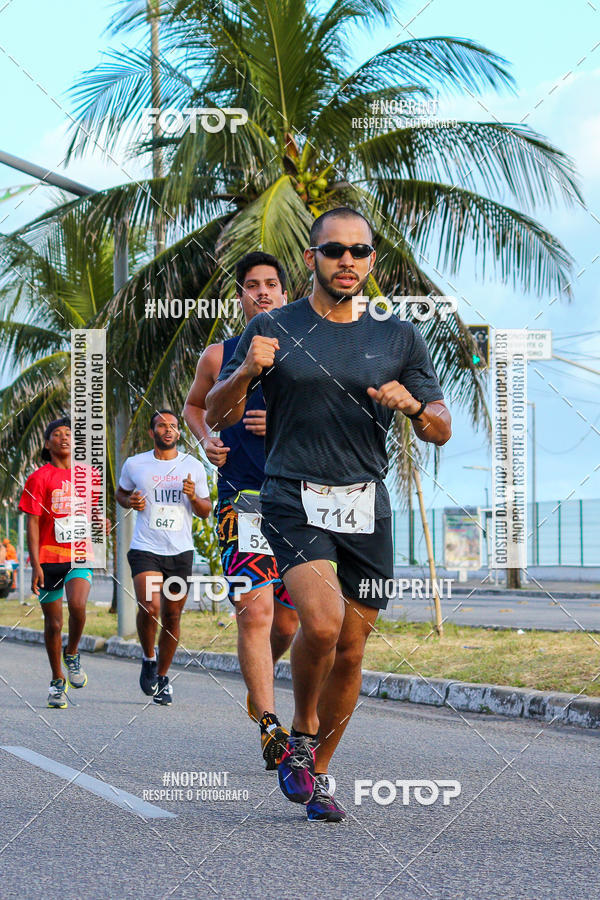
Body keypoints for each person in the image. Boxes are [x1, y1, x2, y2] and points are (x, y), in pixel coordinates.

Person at [206, 207, 452, 821]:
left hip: (366, 504)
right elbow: (214, 412)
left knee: (352, 648)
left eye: (360, 252)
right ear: (312, 258)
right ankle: (301, 727)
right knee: (320, 624)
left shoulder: (398, 337)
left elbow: (442, 428)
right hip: (292, 496)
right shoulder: (273, 326)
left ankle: (315, 772)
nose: (348, 261)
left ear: (373, 262)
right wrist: (245, 371)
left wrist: (416, 410)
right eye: (334, 250)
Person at [184, 251, 298, 769]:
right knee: (254, 610)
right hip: (242, 499)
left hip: (301, 502)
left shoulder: (309, 351)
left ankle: (261, 684)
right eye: (252, 285)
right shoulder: (220, 354)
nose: (263, 293)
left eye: (272, 284)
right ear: (240, 296)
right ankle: (272, 726)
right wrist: (207, 438)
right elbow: (193, 406)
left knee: (290, 626)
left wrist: (282, 430)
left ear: (286, 291)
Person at [116, 410, 211, 705]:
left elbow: (205, 510)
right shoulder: (135, 464)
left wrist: (194, 497)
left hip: (180, 551)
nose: (167, 430)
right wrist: (129, 501)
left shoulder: (193, 466)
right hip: (146, 547)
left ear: (179, 434)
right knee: (150, 605)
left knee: (172, 615)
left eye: (172, 426)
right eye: (161, 425)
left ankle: (161, 677)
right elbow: (120, 494)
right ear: (152, 432)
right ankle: (148, 657)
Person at [18, 418, 95, 709]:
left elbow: (94, 514)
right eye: (57, 434)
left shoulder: (88, 476)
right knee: (53, 623)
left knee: (77, 606)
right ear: (47, 443)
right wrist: (35, 564)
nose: (64, 438)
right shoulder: (39, 477)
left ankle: (72, 652)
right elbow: (33, 523)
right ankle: (57, 681)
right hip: (49, 558)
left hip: (79, 554)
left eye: (69, 434)